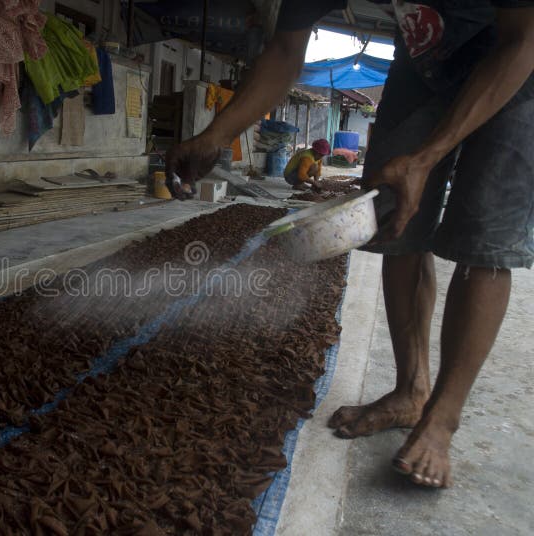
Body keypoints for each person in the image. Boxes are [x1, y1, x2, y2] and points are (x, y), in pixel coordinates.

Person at [166, 1, 534, 489]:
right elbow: (284, 50)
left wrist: (426, 159)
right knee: (391, 214)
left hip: (517, 60)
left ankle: (442, 418)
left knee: (483, 238)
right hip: (425, 57)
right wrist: (216, 135)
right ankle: (410, 391)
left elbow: (523, 39)